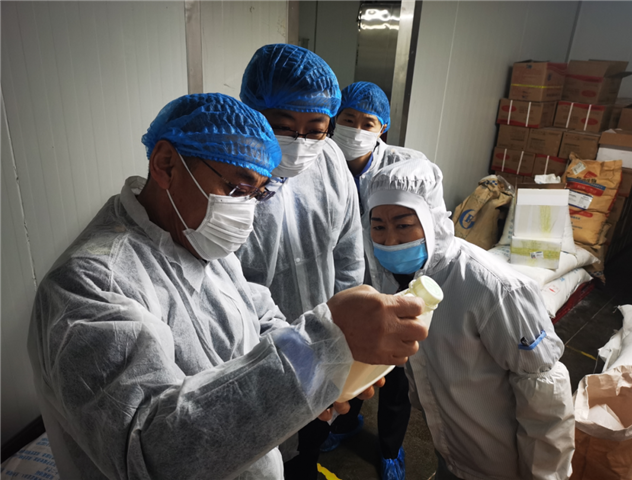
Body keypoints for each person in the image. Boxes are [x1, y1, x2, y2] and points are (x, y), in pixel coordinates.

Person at [27, 93, 430, 480]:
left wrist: (323, 373)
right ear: (166, 164)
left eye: (258, 194)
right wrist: (320, 346)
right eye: (236, 189)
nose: (245, 212)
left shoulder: (196, 238)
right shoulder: (88, 285)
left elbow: (259, 318)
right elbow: (155, 455)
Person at [360, 159, 575, 480]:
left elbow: (544, 395)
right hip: (450, 448)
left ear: (432, 220)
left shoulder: (495, 288)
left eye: (403, 225)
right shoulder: (393, 279)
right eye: (378, 227)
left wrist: (545, 475)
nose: (389, 241)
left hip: (501, 465)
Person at [235, 44, 365, 478]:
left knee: (309, 442)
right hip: (251, 353)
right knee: (257, 452)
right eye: (283, 126)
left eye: (315, 129)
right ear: (253, 112)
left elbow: (348, 251)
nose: (299, 142)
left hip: (323, 333)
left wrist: (344, 334)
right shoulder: (230, 173)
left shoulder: (330, 161)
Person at [326, 81, 432, 480]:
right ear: (335, 120)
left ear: (382, 127)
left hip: (396, 279)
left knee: (395, 372)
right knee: (349, 359)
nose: (355, 129)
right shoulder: (321, 162)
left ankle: (389, 448)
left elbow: (432, 226)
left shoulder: (406, 167)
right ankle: (347, 422)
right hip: (345, 282)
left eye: (366, 122)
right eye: (348, 119)